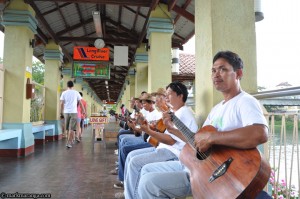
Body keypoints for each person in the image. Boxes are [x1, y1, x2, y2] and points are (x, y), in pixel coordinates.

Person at [137, 51, 271, 199]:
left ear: (238, 73)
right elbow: (198, 140)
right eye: (213, 70)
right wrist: (172, 130)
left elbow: (260, 133)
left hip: (227, 175)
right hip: (203, 173)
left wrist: (213, 137)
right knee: (148, 182)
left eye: (223, 69)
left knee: (148, 182)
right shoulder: (216, 109)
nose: (216, 74)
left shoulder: (245, 101)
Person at [115, 83, 198, 199]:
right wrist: (149, 128)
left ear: (180, 96)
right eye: (165, 95)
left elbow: (171, 141)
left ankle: (131, 196)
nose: (166, 98)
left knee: (135, 162)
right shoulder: (174, 113)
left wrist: (148, 131)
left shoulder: (183, 113)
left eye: (169, 94)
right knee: (131, 157)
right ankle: (131, 194)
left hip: (174, 153)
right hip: (164, 148)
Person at [60, 80, 86, 149]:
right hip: (74, 112)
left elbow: (61, 103)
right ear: (73, 86)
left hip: (66, 112)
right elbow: (80, 102)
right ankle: (68, 142)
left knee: (68, 128)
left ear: (67, 85)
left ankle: (68, 140)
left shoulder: (64, 93)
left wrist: (61, 112)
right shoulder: (76, 92)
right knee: (72, 128)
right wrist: (83, 111)